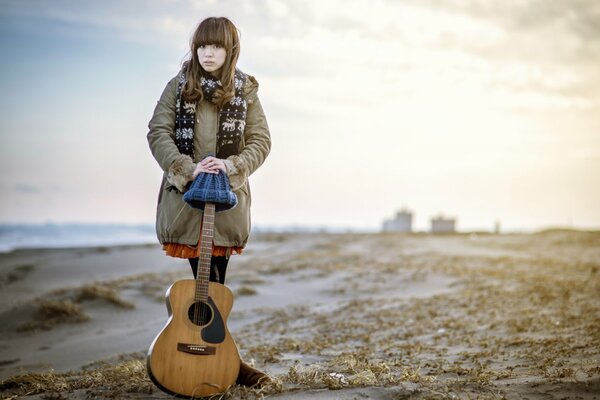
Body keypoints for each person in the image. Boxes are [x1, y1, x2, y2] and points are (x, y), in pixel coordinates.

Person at [146, 16, 272, 388]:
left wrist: (231, 165)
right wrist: (186, 167)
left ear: (229, 49)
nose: (208, 53)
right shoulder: (178, 85)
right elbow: (158, 131)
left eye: (216, 46)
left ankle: (224, 363)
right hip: (185, 200)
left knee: (216, 283)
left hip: (227, 202)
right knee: (205, 284)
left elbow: (261, 141)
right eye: (202, 45)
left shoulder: (246, 90)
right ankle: (229, 364)